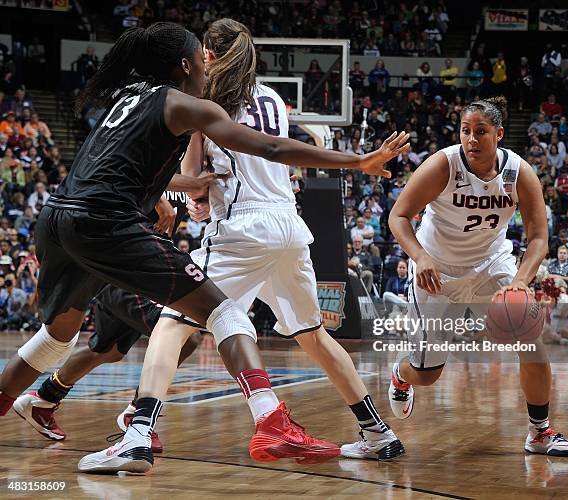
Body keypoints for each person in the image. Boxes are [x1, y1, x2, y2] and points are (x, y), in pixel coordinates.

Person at [0, 22, 409, 474]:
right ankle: (356, 430)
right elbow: (268, 149)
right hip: (279, 225)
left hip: (81, 217)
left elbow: (150, 167)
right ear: (187, 64)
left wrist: (174, 195)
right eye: (196, 59)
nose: (202, 65)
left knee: (113, 332)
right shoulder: (249, 100)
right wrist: (356, 160)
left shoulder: (141, 100)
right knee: (263, 326)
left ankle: (107, 420)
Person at [386, 96, 568, 457]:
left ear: (499, 134)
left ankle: (540, 432)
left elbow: (539, 238)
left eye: (480, 132)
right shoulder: (442, 165)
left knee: (530, 339)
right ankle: (400, 373)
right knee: (427, 375)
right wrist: (420, 256)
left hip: (492, 263)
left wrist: (521, 280)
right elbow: (398, 216)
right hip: (437, 270)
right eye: (465, 131)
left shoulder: (518, 172)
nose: (471, 139)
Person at [12, 189, 202, 454]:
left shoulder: (190, 172)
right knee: (186, 332)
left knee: (106, 350)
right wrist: (162, 197)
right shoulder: (154, 160)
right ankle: (137, 414)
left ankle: (43, 400)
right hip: (124, 267)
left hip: (138, 269)